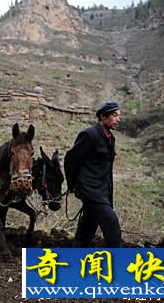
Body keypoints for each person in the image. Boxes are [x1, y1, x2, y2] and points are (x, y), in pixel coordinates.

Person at [64, 102, 122, 247]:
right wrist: (73, 186)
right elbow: (70, 160)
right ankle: (120, 264)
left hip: (102, 191)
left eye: (119, 116)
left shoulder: (110, 138)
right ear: (103, 116)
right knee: (111, 224)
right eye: (114, 115)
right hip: (90, 190)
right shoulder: (90, 134)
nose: (118, 119)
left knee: (87, 229)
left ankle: (74, 260)